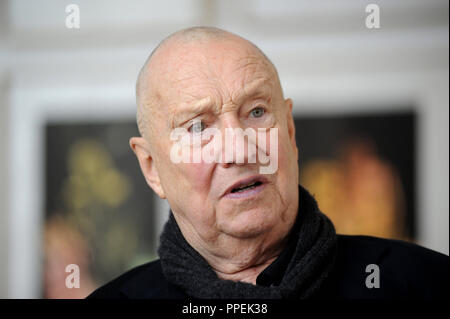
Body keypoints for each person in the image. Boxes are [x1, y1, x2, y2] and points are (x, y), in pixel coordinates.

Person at [88, 26, 448, 299]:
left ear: (289, 132)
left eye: (257, 112)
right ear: (152, 168)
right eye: (197, 126)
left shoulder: (424, 282)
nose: (240, 150)